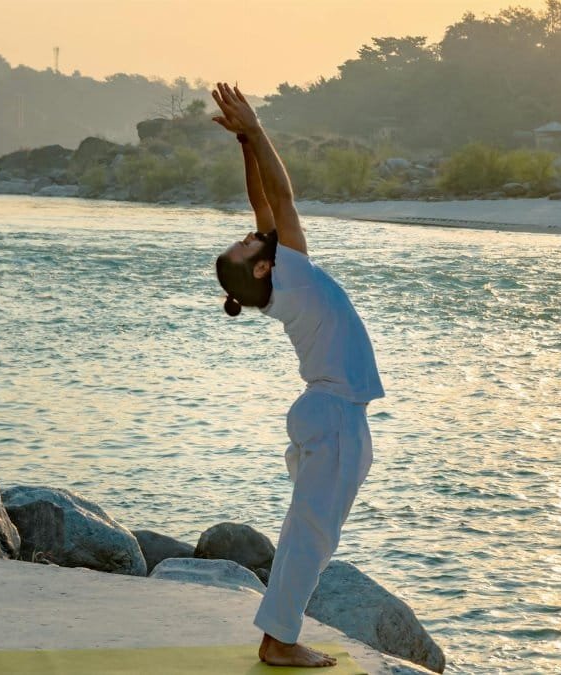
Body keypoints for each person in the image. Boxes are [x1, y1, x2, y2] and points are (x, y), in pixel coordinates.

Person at [211, 82, 384, 668]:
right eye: (246, 242)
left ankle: (277, 633)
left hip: (327, 414)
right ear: (262, 265)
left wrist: (243, 145)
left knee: (306, 532)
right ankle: (280, 641)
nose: (250, 230)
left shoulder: (281, 281)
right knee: (311, 538)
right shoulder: (297, 277)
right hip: (334, 417)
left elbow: (263, 206)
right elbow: (281, 200)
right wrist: (257, 130)